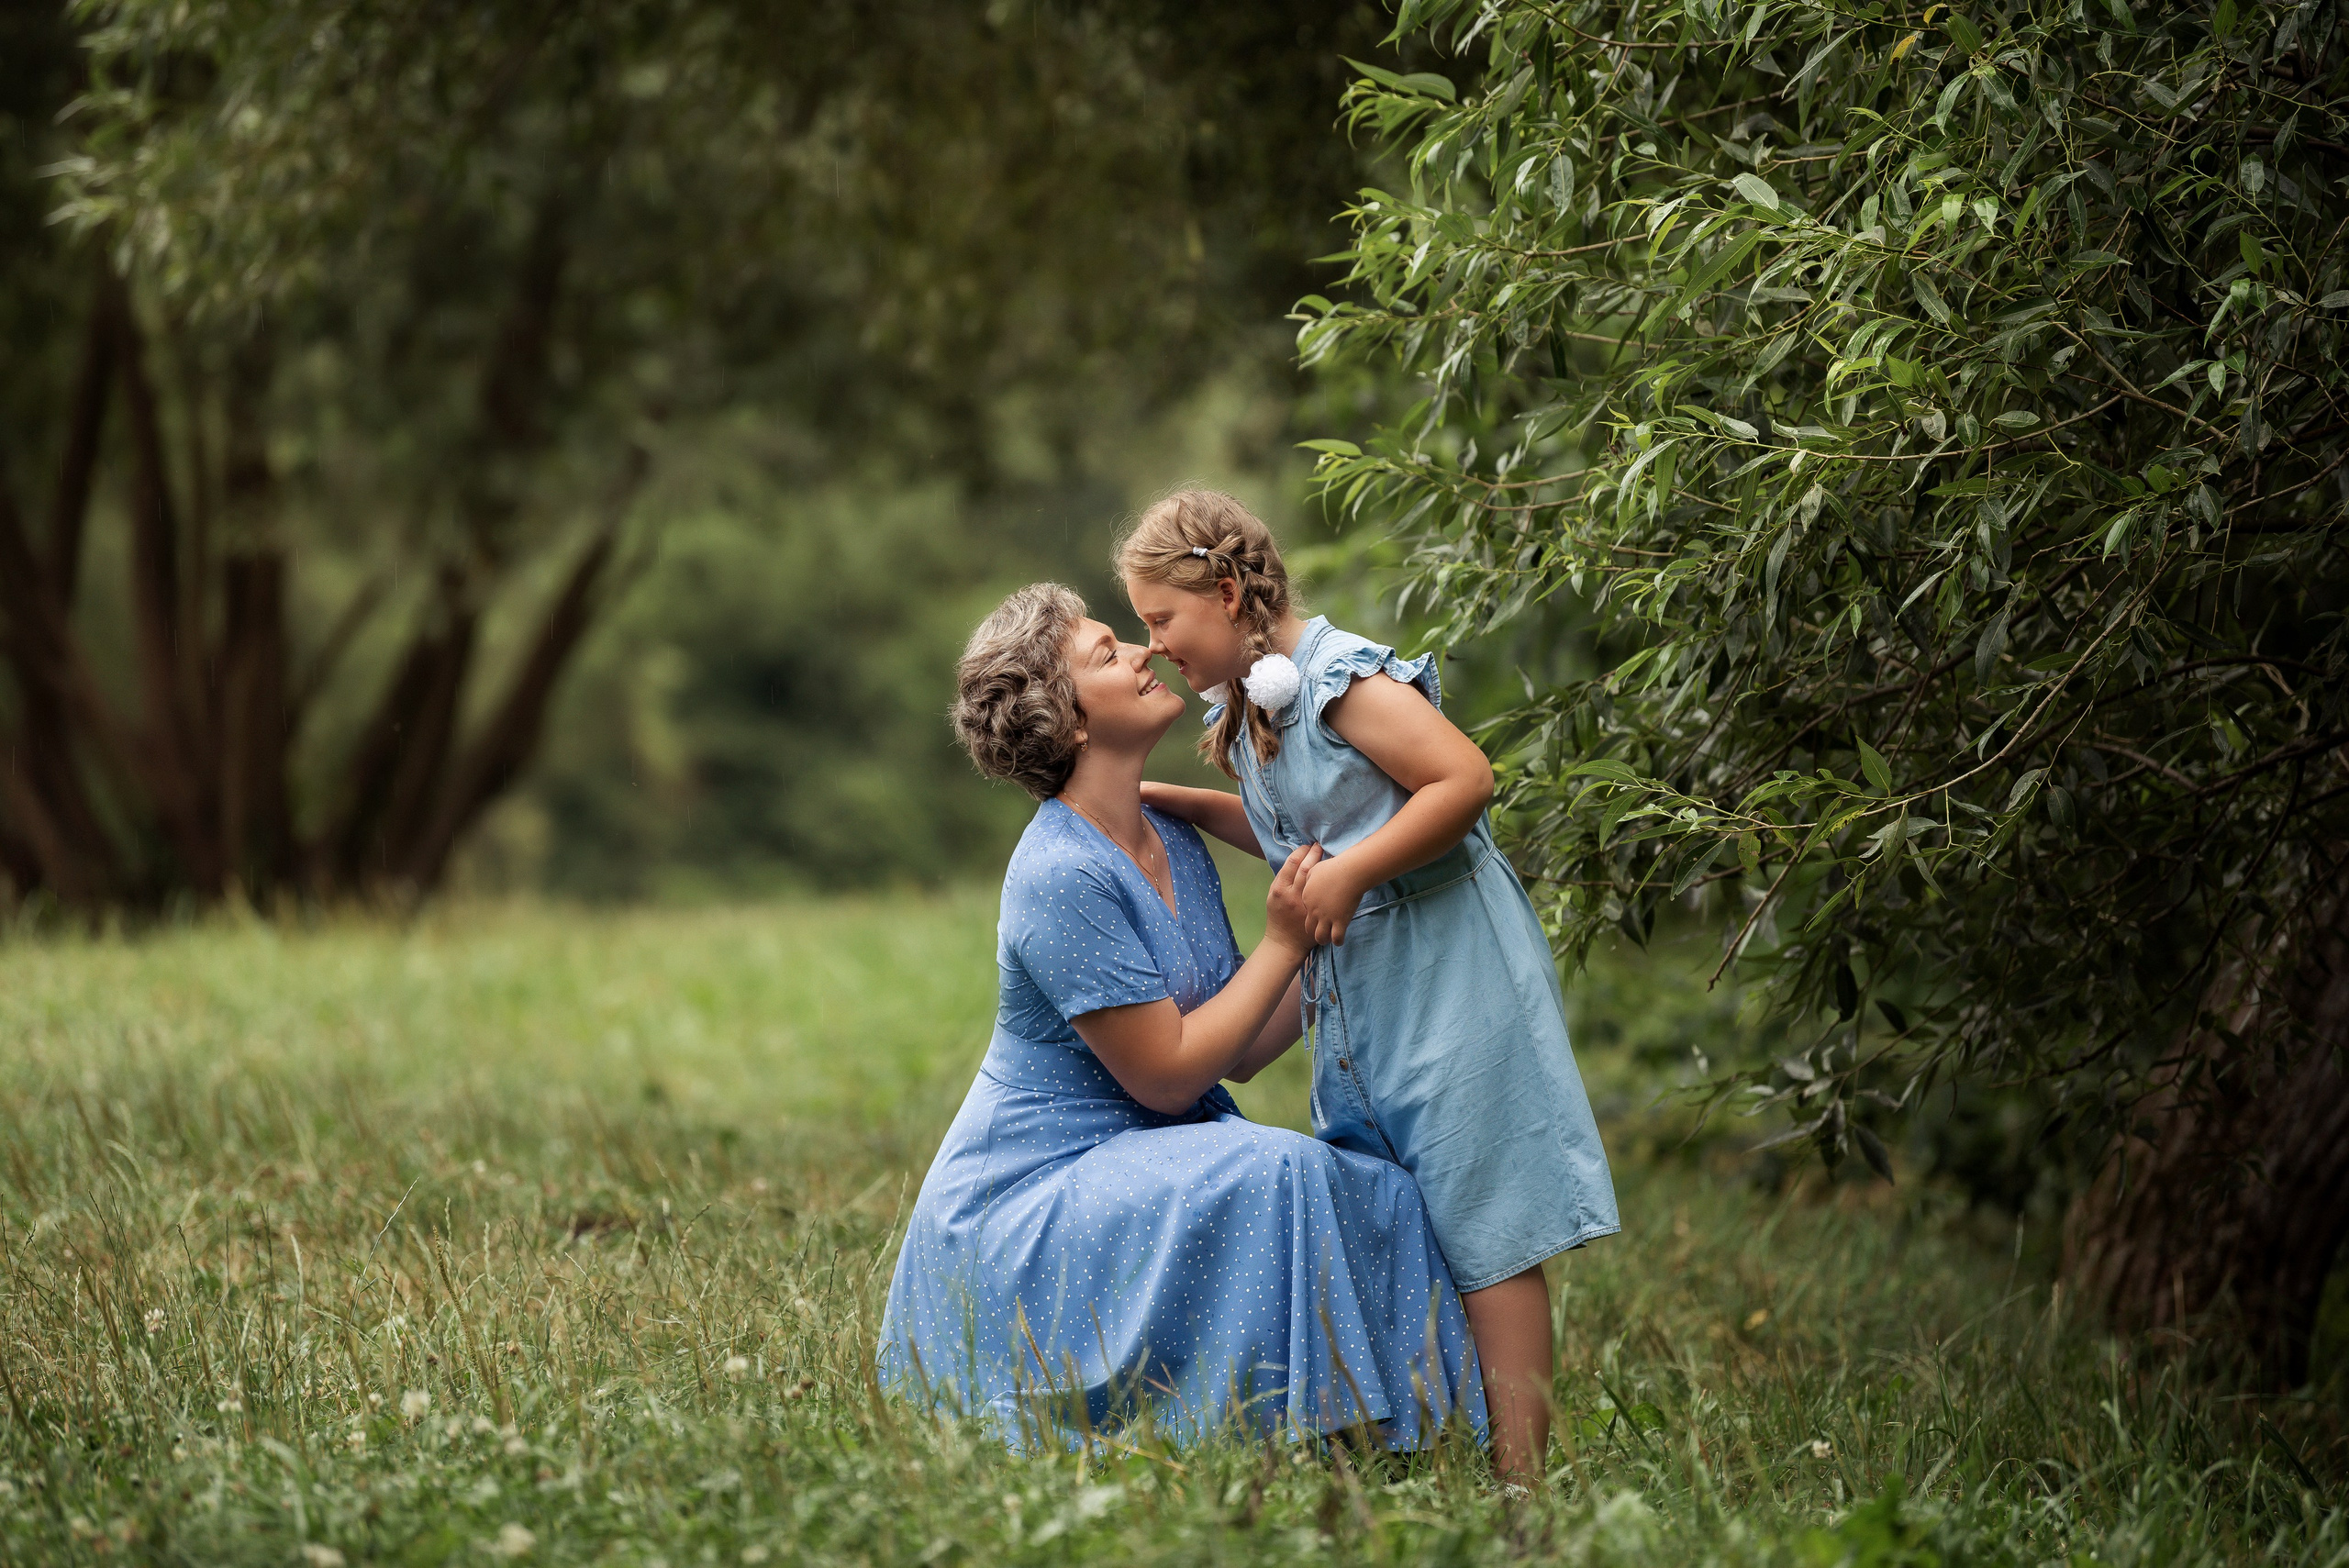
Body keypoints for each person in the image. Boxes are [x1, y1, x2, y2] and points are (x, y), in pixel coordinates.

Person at [877, 583, 1484, 1451]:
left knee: (1379, 1186)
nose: (1143, 651)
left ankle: (1422, 1434)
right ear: (1068, 719)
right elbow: (1167, 1077)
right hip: (1030, 1199)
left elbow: (1241, 1045)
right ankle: (1308, 1435)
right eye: (1107, 651)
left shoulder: (1171, 840)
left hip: (1147, 1154)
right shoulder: (1058, 873)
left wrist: (1354, 929)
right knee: (1278, 1169)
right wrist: (1286, 937)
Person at [1120, 489, 1618, 1482]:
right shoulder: (1249, 707)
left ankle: (1523, 1491)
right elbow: (1302, 828)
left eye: (1161, 618)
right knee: (1393, 1205)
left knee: (1486, 1226)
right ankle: (1427, 1437)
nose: (1153, 645)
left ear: (1226, 594)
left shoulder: (1338, 679)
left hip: (1450, 973)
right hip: (1367, 987)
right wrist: (1176, 802)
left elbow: (1462, 779)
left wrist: (1350, 874)